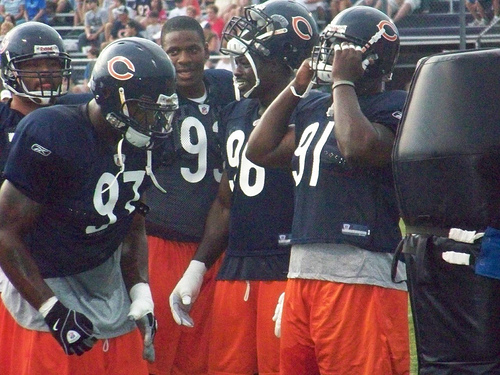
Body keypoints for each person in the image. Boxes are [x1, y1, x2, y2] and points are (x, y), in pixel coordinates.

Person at [246, 6, 410, 374]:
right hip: (303, 272)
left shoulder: (396, 105)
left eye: (341, 49)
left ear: (372, 57)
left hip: (361, 275)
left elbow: (357, 146)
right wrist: (296, 86)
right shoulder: (318, 107)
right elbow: (260, 150)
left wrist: (342, 82)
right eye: (328, 47)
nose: (330, 57)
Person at [0, 37, 179, 375]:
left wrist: (141, 293)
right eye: (145, 109)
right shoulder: (52, 131)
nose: (154, 122)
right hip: (45, 284)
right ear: (112, 100)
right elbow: (4, 232)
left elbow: (131, 221)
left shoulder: (140, 138)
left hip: (107, 288)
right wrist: (50, 308)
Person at [169, 1, 319, 374]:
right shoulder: (237, 113)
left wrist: (305, 278)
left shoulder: (315, 111)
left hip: (285, 267)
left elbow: (321, 203)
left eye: (244, 60)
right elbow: (226, 201)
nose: (235, 69)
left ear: (282, 60)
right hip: (236, 268)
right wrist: (198, 265)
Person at [145, 15, 234, 375]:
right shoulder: (149, 96)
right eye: (174, 51)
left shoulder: (228, 87)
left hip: (218, 243)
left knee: (208, 354)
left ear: (208, 48)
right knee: (159, 352)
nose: (184, 59)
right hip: (163, 240)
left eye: (192, 49)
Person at [0, 22, 71, 180]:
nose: (45, 72)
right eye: (32, 65)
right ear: (10, 73)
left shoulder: (76, 117)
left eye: (53, 64)